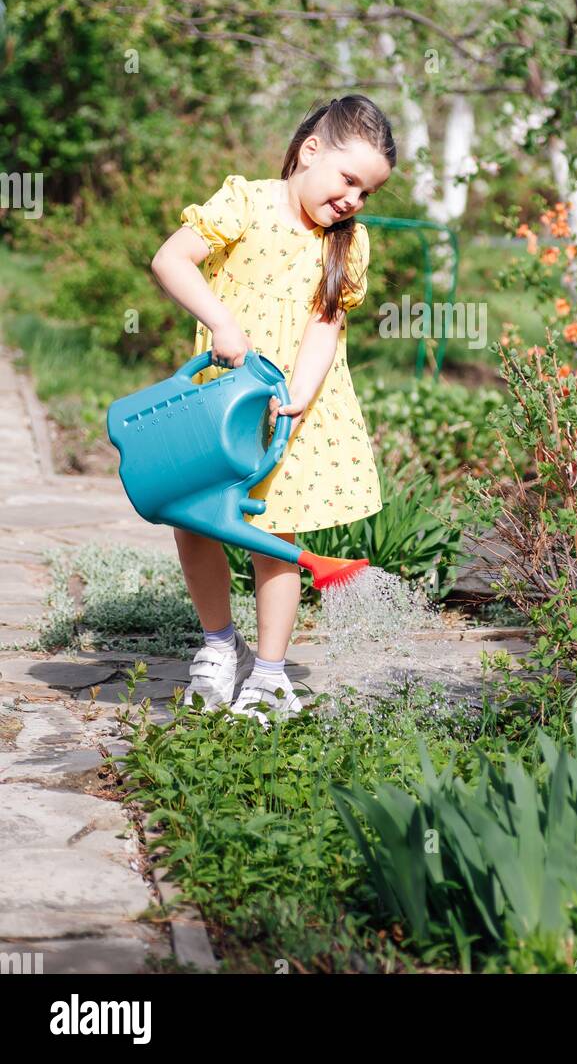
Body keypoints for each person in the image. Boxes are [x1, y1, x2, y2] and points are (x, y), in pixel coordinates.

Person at [150, 95, 396, 725]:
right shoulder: (247, 203)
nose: (353, 200)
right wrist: (221, 322)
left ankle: (269, 674)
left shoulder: (348, 243)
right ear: (310, 151)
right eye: (348, 180)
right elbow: (170, 260)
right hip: (223, 400)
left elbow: (325, 324)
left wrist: (300, 397)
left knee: (272, 534)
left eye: (367, 192)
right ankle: (217, 645)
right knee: (195, 519)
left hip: (287, 409)